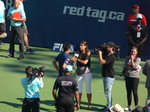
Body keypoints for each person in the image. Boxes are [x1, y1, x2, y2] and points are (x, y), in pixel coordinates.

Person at [71, 41, 92, 109]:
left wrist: (77, 59)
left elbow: (85, 62)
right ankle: (78, 104)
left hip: (87, 73)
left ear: (86, 46)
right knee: (78, 90)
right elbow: (73, 58)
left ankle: (89, 105)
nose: (80, 46)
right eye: (80, 45)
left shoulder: (88, 53)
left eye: (82, 45)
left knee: (88, 89)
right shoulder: (77, 53)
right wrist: (72, 59)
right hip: (79, 73)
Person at [97, 42, 116, 111]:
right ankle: (109, 105)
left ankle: (109, 107)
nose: (106, 48)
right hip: (106, 75)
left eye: (108, 47)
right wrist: (99, 53)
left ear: (112, 48)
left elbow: (101, 61)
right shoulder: (107, 54)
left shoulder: (112, 57)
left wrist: (99, 53)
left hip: (109, 77)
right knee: (107, 92)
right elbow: (101, 59)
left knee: (108, 92)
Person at [122, 47, 141, 111]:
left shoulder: (138, 59)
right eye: (132, 51)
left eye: (134, 52)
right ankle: (129, 106)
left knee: (135, 92)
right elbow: (126, 66)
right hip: (128, 76)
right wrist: (132, 67)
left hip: (135, 77)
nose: (132, 53)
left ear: (136, 52)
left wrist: (132, 60)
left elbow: (135, 66)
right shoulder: (127, 58)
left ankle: (136, 106)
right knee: (128, 92)